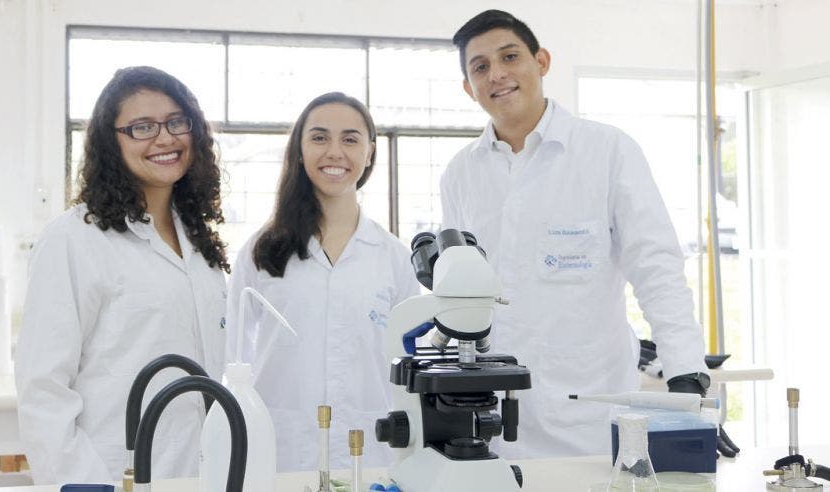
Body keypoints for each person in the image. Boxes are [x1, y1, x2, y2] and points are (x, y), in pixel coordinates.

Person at [440, 10, 709, 458]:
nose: (498, 75)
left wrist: (685, 373)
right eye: (480, 67)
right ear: (469, 88)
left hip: (592, 411)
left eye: (510, 56)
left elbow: (656, 265)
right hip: (493, 414)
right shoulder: (460, 174)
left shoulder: (608, 151)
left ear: (541, 61)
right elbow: (458, 293)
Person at [15, 66, 230, 483]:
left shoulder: (198, 240)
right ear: (111, 143)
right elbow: (43, 389)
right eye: (142, 127)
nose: (165, 138)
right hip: (112, 473)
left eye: (176, 122)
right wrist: (83, 483)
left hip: (199, 471)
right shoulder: (75, 239)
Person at [226, 92, 420, 471]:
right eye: (319, 138)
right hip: (281, 452)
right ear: (299, 151)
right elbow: (234, 360)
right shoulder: (262, 251)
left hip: (371, 453)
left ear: (370, 153)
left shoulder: (393, 257)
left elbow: (408, 367)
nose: (334, 151)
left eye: (350, 139)